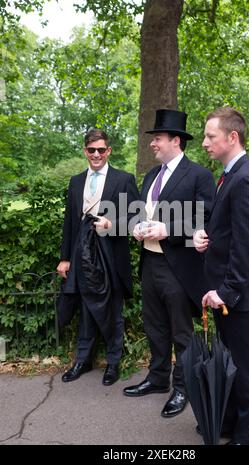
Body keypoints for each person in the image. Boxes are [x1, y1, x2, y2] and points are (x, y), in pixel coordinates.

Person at [123, 109, 215, 418]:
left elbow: (206, 217)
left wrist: (170, 229)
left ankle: (183, 387)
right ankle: (158, 378)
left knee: (180, 332)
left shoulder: (199, 175)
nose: (153, 144)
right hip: (150, 262)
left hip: (179, 267)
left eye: (158, 138)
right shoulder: (151, 175)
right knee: (154, 327)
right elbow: (139, 212)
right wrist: (137, 226)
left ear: (175, 141)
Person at [194, 107, 249, 445]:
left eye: (210, 136)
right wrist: (205, 237)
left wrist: (226, 291)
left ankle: (248, 437)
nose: (205, 143)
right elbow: (228, 233)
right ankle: (228, 423)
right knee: (231, 364)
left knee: (246, 369)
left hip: (240, 297)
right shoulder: (230, 174)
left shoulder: (247, 178)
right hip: (228, 293)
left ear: (232, 137)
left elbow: (246, 246)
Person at [57, 128, 139, 386]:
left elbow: (137, 219)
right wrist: (65, 258)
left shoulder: (124, 179)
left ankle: (113, 362)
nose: (96, 154)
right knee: (85, 308)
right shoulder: (76, 181)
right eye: (91, 150)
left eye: (101, 150)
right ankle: (83, 359)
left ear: (109, 151)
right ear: (85, 151)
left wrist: (111, 223)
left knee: (113, 308)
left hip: (111, 255)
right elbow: (70, 222)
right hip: (82, 254)